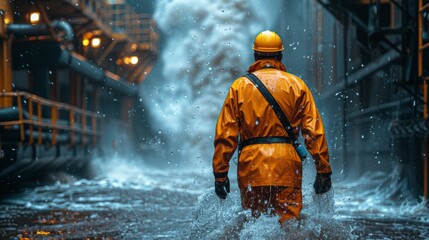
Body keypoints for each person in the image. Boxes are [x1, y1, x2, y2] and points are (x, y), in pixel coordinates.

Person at [212, 30, 332, 223]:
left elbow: (226, 134)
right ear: (280, 55)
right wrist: (323, 170)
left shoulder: (240, 87)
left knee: (254, 225)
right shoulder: (297, 85)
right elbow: (314, 131)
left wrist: (220, 173)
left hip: (252, 166)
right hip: (286, 166)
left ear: (255, 55)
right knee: (289, 226)